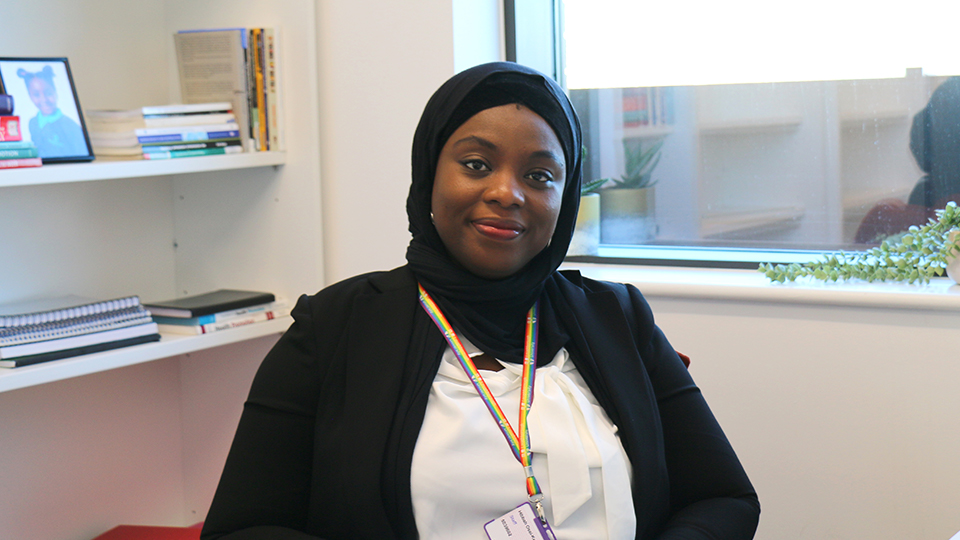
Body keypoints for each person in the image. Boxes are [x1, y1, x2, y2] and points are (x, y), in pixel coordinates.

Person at [200, 62, 760, 540]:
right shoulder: (335, 327)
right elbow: (244, 527)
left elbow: (724, 497)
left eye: (539, 175)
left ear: (564, 200)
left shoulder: (618, 317)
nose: (506, 192)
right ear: (429, 173)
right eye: (476, 164)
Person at [17, 65, 88, 158]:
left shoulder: (70, 126)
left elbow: (81, 155)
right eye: (36, 94)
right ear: (30, 96)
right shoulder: (33, 123)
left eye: (48, 93)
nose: (44, 99)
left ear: (55, 92)